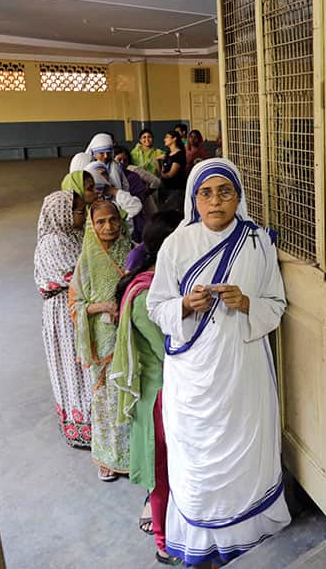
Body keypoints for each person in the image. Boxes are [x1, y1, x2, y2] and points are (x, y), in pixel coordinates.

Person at [146, 158, 290, 566]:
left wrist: (246, 302)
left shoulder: (258, 242)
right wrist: (184, 306)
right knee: (197, 460)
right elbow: (156, 307)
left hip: (242, 371)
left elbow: (276, 305)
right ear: (195, 199)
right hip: (193, 377)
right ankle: (202, 540)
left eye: (225, 192)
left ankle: (249, 533)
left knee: (245, 448)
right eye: (206, 193)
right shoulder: (177, 244)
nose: (216, 202)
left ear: (238, 196)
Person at [112, 211, 183, 566]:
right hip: (158, 396)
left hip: (167, 391)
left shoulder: (160, 282)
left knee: (172, 469)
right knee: (162, 472)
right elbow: (170, 350)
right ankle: (163, 541)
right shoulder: (145, 294)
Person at [69, 199, 135, 481]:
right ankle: (107, 457)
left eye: (113, 220)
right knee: (106, 400)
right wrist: (103, 307)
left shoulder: (132, 252)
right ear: (91, 226)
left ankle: (135, 455)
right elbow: (75, 306)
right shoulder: (86, 261)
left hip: (132, 334)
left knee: (130, 393)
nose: (108, 227)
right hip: (103, 340)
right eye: (100, 222)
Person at [34, 190, 93, 448]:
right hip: (64, 313)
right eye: (80, 211)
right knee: (74, 366)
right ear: (62, 215)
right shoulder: (54, 242)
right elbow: (77, 277)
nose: (85, 215)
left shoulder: (74, 234)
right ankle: (83, 427)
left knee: (83, 365)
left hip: (76, 307)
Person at [114, 145, 158, 241]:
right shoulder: (110, 177)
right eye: (119, 159)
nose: (122, 163)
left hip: (135, 216)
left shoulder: (133, 176)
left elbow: (140, 196)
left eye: (125, 160)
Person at [82, 162, 144, 227]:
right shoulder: (86, 207)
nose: (101, 177)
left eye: (104, 173)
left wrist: (114, 191)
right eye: (97, 175)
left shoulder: (115, 199)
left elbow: (135, 206)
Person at [158, 129, 188, 214]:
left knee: (173, 211)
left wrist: (162, 174)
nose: (165, 139)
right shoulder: (168, 153)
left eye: (167, 137)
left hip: (175, 188)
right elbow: (162, 169)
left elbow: (171, 174)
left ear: (174, 139)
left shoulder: (179, 154)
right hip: (165, 187)